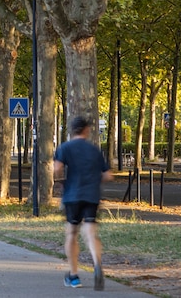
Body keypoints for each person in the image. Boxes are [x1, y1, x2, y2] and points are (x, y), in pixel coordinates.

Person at [53, 116, 113, 290]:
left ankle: (73, 276)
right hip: (92, 196)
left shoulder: (65, 147)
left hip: (72, 195)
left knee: (72, 233)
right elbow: (108, 175)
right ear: (86, 130)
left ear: (72, 130)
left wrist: (60, 179)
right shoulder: (94, 150)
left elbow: (56, 169)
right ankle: (97, 264)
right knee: (90, 232)